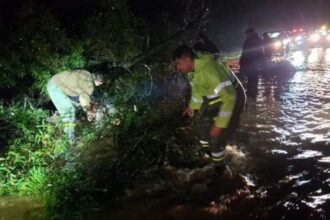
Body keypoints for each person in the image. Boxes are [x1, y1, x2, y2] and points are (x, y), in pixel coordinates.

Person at [173, 45, 246, 173]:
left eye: (178, 64)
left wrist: (219, 125)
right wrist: (192, 107)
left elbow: (230, 97)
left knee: (216, 137)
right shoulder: (193, 70)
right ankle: (213, 156)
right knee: (202, 128)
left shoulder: (210, 71)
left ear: (188, 60)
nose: (177, 68)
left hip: (233, 99)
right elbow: (197, 90)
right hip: (216, 100)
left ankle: (221, 171)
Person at [47, 68, 106, 143]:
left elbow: (78, 91)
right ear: (100, 82)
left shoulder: (86, 73)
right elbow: (84, 100)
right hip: (56, 87)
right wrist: (88, 109)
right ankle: (70, 141)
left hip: (54, 81)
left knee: (73, 105)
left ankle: (60, 120)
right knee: (69, 112)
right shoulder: (90, 86)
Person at [239, 28, 263, 98]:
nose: (246, 35)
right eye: (246, 33)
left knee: (254, 77)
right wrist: (242, 61)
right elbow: (244, 52)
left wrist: (257, 60)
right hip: (248, 62)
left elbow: (259, 51)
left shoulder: (256, 40)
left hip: (253, 62)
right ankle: (250, 91)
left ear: (251, 33)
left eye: (247, 33)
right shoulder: (248, 40)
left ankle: (253, 92)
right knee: (250, 77)